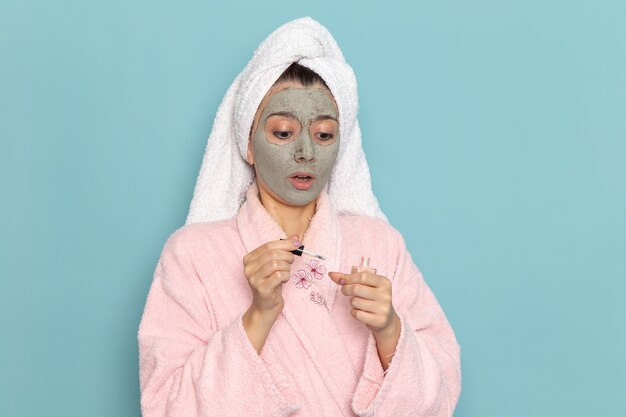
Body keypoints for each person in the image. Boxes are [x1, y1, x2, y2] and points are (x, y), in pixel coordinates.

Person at [138, 17, 461, 417]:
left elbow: (442, 391)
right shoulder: (192, 254)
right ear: (248, 144)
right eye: (283, 132)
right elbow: (166, 406)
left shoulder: (380, 244)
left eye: (324, 134)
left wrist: (391, 330)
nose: (306, 152)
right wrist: (258, 316)